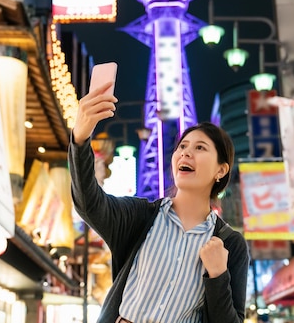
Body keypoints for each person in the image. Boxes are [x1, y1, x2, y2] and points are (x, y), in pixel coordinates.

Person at [69, 82, 250, 323]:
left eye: (200, 148)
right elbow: (89, 204)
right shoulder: (140, 217)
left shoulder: (229, 245)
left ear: (221, 170)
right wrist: (80, 139)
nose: (186, 153)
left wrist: (218, 275)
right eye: (182, 147)